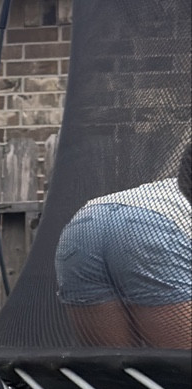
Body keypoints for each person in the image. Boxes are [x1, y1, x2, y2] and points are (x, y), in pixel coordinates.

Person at [54, 141, 192, 349]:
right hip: (151, 229)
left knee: (113, 365)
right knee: (179, 366)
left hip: (85, 223)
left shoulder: (175, 183)